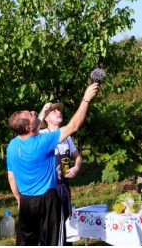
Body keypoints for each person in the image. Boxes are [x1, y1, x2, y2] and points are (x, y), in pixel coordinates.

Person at [5, 83, 99, 246]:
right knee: (54, 242)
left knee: (27, 242)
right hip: (48, 201)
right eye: (31, 114)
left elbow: (11, 177)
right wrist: (86, 99)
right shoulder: (43, 141)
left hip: (27, 201)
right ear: (28, 126)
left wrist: (19, 200)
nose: (34, 112)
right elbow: (74, 126)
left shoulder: (12, 146)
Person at [39, 102, 83, 244]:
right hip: (48, 188)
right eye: (54, 111)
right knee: (48, 224)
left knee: (63, 222)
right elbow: (32, 132)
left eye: (59, 110)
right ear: (46, 118)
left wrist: (76, 167)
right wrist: (42, 112)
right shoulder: (42, 134)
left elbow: (78, 157)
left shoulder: (67, 136)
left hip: (63, 186)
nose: (59, 112)